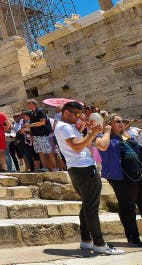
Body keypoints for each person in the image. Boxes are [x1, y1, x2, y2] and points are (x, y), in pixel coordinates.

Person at [55, 100, 124, 255]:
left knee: (87, 205)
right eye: (76, 114)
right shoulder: (65, 127)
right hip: (84, 169)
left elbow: (79, 143)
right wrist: (92, 134)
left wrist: (87, 130)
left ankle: (86, 240)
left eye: (80, 114)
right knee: (92, 208)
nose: (79, 117)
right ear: (66, 112)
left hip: (78, 168)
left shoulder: (68, 127)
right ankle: (99, 243)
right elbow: (78, 147)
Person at [96, 114, 142, 247]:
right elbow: (102, 146)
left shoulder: (127, 136)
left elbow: (139, 150)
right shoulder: (102, 137)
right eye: (117, 122)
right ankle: (133, 237)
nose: (121, 123)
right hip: (122, 177)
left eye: (122, 121)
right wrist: (107, 131)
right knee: (127, 206)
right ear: (109, 124)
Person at [26, 99, 55, 172]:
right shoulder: (32, 113)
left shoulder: (40, 111)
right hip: (36, 136)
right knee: (40, 152)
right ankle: (45, 168)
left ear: (32, 103)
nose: (27, 106)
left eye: (28, 104)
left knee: (48, 151)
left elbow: (42, 122)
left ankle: (55, 167)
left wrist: (31, 125)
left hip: (43, 135)